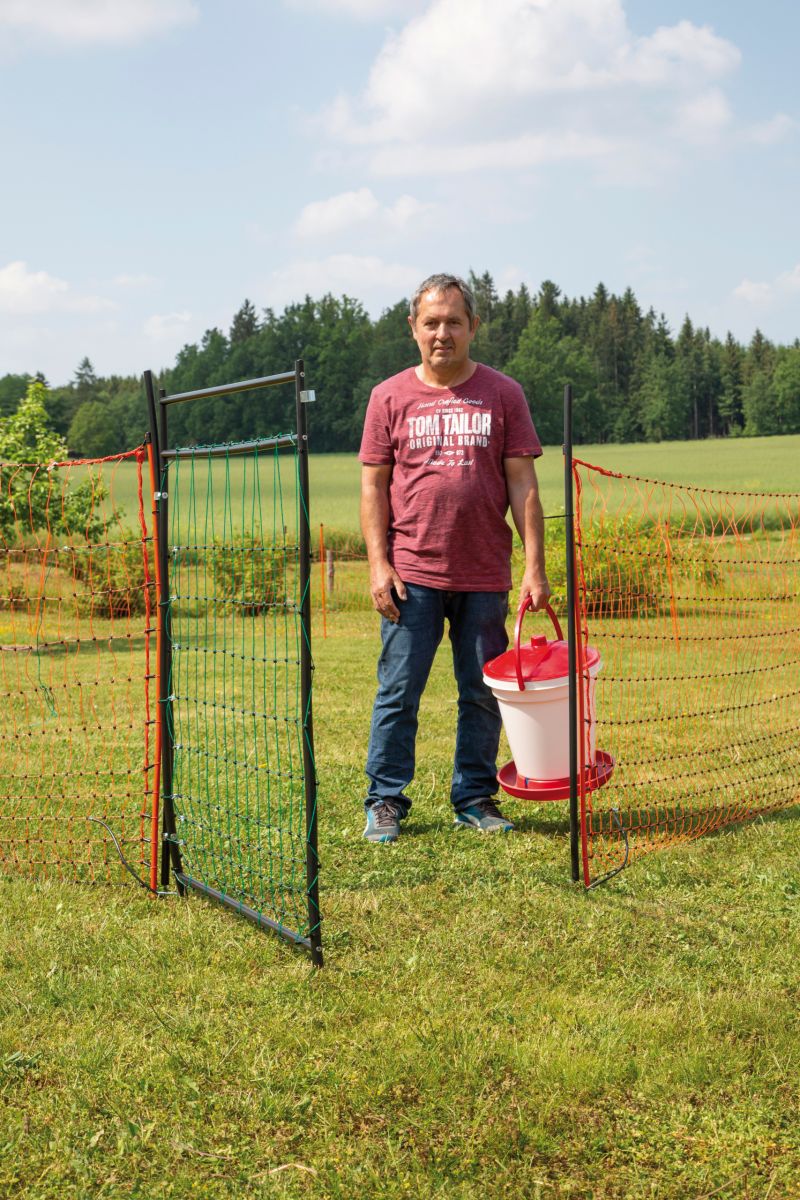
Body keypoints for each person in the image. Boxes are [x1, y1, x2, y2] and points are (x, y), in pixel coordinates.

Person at [359, 273, 551, 843]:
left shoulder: (503, 393)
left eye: (454, 322)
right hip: (411, 575)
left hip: (484, 573)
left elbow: (524, 483)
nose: (442, 333)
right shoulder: (388, 397)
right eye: (431, 322)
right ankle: (386, 800)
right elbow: (373, 487)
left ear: (473, 328)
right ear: (414, 329)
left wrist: (534, 567)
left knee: (481, 692)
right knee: (399, 692)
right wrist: (378, 564)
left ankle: (474, 796)